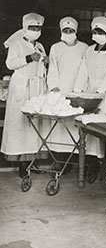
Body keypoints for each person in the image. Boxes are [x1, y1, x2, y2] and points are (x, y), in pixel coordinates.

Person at [1, 13, 48, 177]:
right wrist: (28, 58)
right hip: (21, 87)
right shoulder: (16, 43)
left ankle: (33, 163)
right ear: (25, 28)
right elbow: (10, 63)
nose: (35, 31)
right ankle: (22, 165)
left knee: (34, 128)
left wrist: (45, 62)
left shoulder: (40, 46)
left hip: (36, 88)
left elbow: (41, 67)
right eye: (32, 28)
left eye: (38, 28)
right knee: (20, 126)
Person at [74, 16, 106, 157]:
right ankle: (93, 160)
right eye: (95, 32)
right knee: (92, 129)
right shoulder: (89, 51)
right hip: (91, 93)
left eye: (100, 32)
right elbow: (83, 71)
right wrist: (78, 91)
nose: (97, 35)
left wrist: (100, 91)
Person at [47, 17, 88, 154]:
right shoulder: (56, 48)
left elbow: (85, 70)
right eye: (65, 30)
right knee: (60, 128)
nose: (68, 32)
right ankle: (61, 160)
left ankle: (75, 158)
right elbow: (52, 68)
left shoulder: (84, 48)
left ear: (76, 31)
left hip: (78, 90)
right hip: (60, 91)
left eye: (71, 30)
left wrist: (79, 89)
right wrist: (54, 87)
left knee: (74, 127)